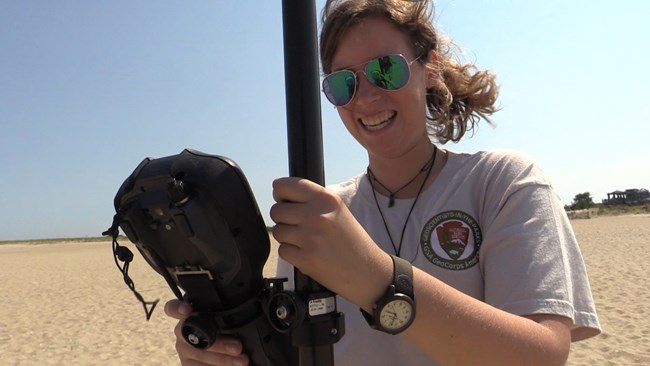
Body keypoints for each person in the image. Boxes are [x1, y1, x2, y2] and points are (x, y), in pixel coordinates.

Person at [165, 0, 601, 364]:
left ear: (429, 67)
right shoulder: (319, 213)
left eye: (386, 70)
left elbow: (542, 354)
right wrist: (220, 352)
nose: (367, 96)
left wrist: (376, 278)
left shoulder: (502, 182)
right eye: (343, 83)